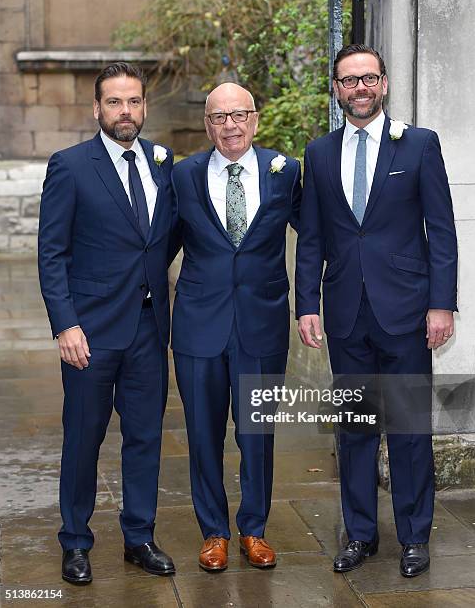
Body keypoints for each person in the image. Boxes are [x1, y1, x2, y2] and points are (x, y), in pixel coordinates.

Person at [295, 44, 458, 578]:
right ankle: (359, 533)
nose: (358, 88)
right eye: (348, 80)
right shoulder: (317, 154)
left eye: (367, 78)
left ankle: (414, 536)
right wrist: (307, 305)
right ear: (337, 89)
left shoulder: (419, 144)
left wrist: (441, 304)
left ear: (383, 83)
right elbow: (312, 237)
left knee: (410, 428)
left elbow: (442, 231)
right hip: (345, 314)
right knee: (356, 426)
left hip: (408, 312)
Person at [38, 62, 177, 584]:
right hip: (90, 334)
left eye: (134, 101)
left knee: (145, 438)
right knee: (84, 439)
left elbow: (164, 236)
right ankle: (75, 541)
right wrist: (65, 324)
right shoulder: (70, 166)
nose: (126, 111)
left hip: (147, 329)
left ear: (144, 106)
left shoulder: (162, 164)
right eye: (115, 102)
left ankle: (139, 536)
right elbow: (51, 253)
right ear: (97, 109)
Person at [171, 82, 301, 571]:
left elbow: (311, 239)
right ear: (207, 125)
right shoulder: (182, 176)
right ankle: (213, 532)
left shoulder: (285, 173)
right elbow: (159, 243)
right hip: (198, 325)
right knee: (202, 434)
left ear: (255, 119)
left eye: (239, 114)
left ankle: (254, 528)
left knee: (257, 435)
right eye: (219, 116)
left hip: (262, 325)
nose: (230, 124)